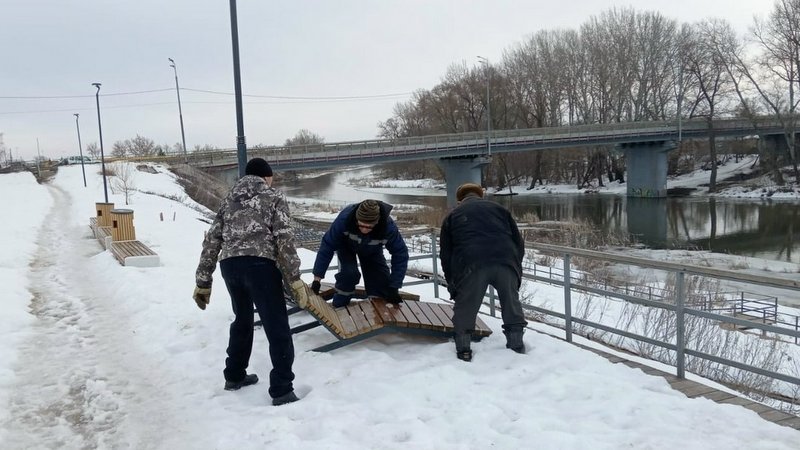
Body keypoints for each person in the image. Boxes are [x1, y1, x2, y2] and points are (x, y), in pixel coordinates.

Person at [193, 157, 311, 406]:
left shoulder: (229, 200)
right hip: (260, 266)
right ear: (266, 177)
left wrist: (203, 281)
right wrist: (295, 280)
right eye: (271, 178)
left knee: (242, 320)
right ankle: (281, 389)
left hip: (230, 266)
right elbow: (284, 240)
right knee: (276, 326)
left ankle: (234, 376)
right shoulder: (274, 196)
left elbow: (212, 240)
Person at [439, 183, 528, 362]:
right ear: (480, 195)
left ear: (460, 199)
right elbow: (519, 243)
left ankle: (464, 350)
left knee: (466, 307)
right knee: (511, 303)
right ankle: (516, 345)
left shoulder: (453, 216)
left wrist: (453, 283)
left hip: (471, 264)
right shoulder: (500, 210)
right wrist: (515, 267)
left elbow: (446, 254)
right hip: (505, 260)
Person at [311, 199, 409, 307]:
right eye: (361, 225)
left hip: (373, 250)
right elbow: (327, 246)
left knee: (381, 281)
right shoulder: (344, 219)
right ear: (357, 219)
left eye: (369, 227)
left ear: (377, 222)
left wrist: (394, 286)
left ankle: (379, 313)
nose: (364, 230)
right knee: (349, 274)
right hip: (346, 247)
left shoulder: (387, 227)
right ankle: (339, 306)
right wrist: (317, 279)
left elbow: (400, 253)